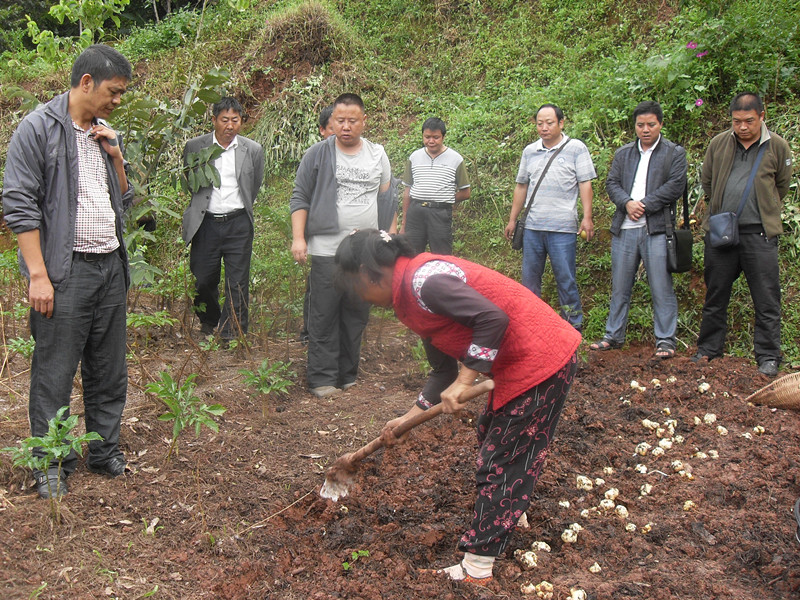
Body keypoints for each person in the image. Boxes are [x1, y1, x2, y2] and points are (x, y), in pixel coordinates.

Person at [334, 229, 580, 584]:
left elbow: (492, 319)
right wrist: (408, 417)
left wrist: (467, 380)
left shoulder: (425, 282)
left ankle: (477, 569)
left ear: (370, 270)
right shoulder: (407, 298)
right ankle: (510, 513)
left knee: (501, 459)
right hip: (516, 363)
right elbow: (441, 372)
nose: (364, 299)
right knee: (495, 438)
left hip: (540, 358)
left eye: (359, 288)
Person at [2, 44, 134, 498]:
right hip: (66, 270)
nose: (117, 101)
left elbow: (124, 199)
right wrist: (38, 274)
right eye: (113, 92)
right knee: (55, 371)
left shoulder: (104, 134)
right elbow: (19, 205)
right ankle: (51, 462)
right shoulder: (38, 128)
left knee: (109, 368)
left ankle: (104, 451)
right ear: (86, 83)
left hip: (109, 267)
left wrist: (117, 158)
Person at [290, 93, 392, 397]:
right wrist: (299, 238)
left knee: (356, 313)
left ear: (364, 122)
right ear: (331, 122)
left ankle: (348, 374)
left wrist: (386, 238)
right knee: (323, 314)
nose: (346, 126)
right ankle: (322, 378)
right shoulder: (316, 155)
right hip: (325, 249)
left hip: (364, 253)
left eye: (352, 120)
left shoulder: (377, 155)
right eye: (340, 120)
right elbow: (300, 197)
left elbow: (387, 199)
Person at [693, 92, 793, 376]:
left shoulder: (777, 146)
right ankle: (709, 349)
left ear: (762, 116)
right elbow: (708, 181)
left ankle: (768, 356)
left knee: (766, 298)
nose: (743, 127)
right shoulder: (719, 144)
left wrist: (763, 210)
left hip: (759, 235)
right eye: (737, 121)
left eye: (749, 120)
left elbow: (782, 185)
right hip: (723, 232)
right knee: (715, 295)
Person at [590, 101, 688, 358]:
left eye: (651, 125)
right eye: (640, 125)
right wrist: (626, 203)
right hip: (625, 228)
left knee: (660, 285)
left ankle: (665, 340)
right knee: (620, 285)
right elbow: (611, 183)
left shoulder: (673, 153)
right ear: (634, 126)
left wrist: (643, 205)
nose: (645, 130)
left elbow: (675, 185)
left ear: (661, 124)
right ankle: (613, 335)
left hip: (655, 229)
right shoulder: (624, 153)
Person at [504, 104, 596, 331]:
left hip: (563, 229)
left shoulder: (576, 148)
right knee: (530, 281)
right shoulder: (530, 151)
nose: (544, 128)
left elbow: (585, 183)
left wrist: (587, 217)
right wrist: (512, 219)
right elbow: (521, 186)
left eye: (550, 123)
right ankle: (530, 325)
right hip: (533, 228)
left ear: (561, 123)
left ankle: (572, 327)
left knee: (565, 279)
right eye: (539, 123)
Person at [182, 97, 265, 341]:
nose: (230, 126)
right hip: (206, 222)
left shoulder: (252, 149)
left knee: (237, 282)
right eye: (224, 120)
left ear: (241, 122)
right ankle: (209, 320)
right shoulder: (195, 146)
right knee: (203, 278)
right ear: (214, 120)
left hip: (238, 223)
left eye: (235, 120)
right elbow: (190, 181)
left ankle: (233, 333)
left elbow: (254, 184)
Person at [400, 117, 470, 254]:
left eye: (436, 137)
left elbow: (466, 192)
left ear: (443, 136)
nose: (431, 141)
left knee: (441, 255)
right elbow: (407, 191)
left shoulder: (455, 159)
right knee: (411, 254)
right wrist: (404, 223)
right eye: (427, 137)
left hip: (440, 214)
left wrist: (442, 199)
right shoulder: (414, 157)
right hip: (415, 212)